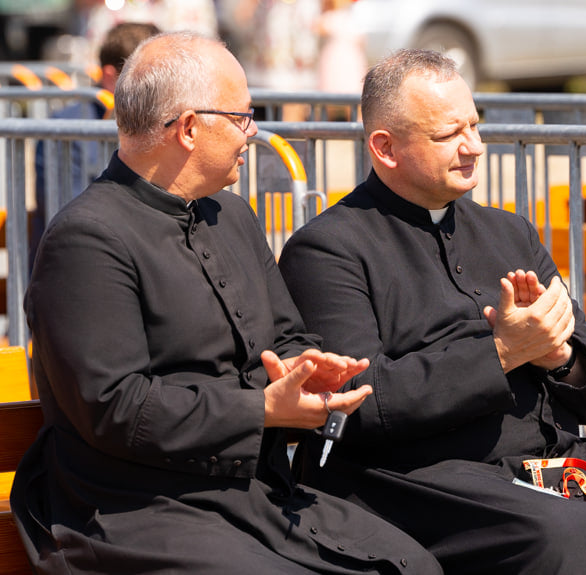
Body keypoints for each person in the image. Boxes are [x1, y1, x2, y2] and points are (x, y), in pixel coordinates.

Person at [278, 48, 586, 574]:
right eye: (449, 134)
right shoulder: (327, 249)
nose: (473, 146)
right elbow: (358, 404)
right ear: (385, 147)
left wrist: (557, 355)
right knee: (564, 541)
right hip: (422, 476)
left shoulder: (508, 232)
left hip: (546, 462)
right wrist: (500, 354)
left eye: (475, 125)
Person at [11, 32, 442, 575]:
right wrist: (261, 409)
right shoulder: (87, 238)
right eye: (242, 116)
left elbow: (286, 334)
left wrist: (307, 372)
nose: (254, 132)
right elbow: (114, 406)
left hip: (250, 494)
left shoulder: (230, 215)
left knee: (414, 564)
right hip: (136, 510)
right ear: (189, 128)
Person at [30, 21, 161, 269]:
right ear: (111, 77)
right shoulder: (66, 129)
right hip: (78, 268)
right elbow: (71, 218)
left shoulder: (161, 124)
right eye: (149, 79)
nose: (161, 90)